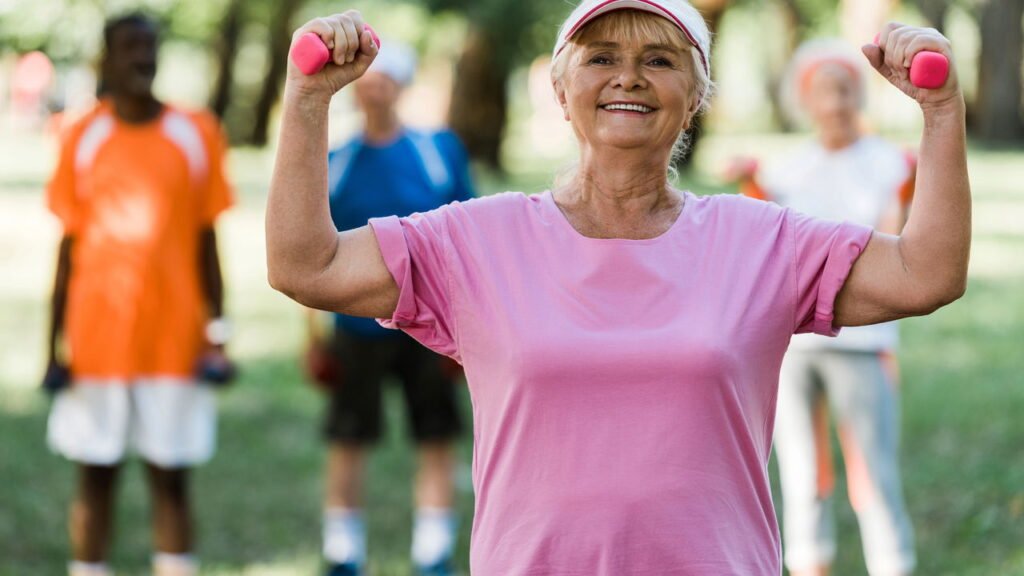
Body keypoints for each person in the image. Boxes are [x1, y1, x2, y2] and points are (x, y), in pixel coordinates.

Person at [266, 1, 970, 573]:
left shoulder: (762, 241)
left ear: (694, 98)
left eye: (658, 60)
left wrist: (940, 112)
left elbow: (926, 273)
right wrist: (307, 99)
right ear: (561, 89)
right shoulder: (476, 240)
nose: (628, 77)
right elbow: (306, 266)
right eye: (601, 58)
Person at [43, 13, 234, 576]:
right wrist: (52, 349)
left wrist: (218, 335)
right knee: (95, 478)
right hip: (97, 341)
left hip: (173, 341)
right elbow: (66, 250)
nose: (141, 58)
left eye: (149, 46)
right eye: (128, 47)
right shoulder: (81, 135)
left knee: (171, 480)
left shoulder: (196, 132)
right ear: (106, 58)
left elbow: (208, 243)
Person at [727, 40, 917, 576]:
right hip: (793, 346)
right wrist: (750, 179)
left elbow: (898, 242)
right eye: (822, 91)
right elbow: (766, 243)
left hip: (864, 342)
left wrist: (916, 175)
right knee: (802, 474)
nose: (834, 103)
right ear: (805, 100)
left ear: (858, 94)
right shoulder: (789, 168)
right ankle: (811, 564)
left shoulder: (889, 162)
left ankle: (892, 562)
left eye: (844, 89)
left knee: (873, 472)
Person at [305, 40, 475, 576]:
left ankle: (433, 553)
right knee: (348, 438)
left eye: (385, 80)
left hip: (432, 328)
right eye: (367, 82)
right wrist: (312, 336)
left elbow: (467, 238)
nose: (375, 90)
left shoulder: (437, 152)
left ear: (401, 87)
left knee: (436, 436)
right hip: (355, 328)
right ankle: (343, 553)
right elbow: (314, 254)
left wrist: (467, 330)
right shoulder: (336, 162)